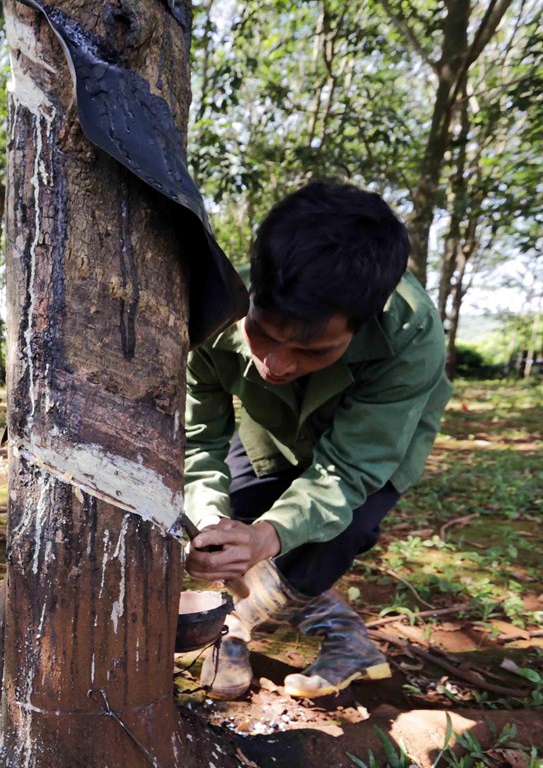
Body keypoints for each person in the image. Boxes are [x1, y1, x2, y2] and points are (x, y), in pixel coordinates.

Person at [185, 180, 451, 699]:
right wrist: (211, 520)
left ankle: (230, 627)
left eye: (314, 351)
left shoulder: (410, 335)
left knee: (330, 537)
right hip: (272, 431)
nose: (276, 365)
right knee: (235, 524)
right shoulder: (213, 314)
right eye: (263, 334)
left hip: (375, 441)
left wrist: (269, 537)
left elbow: (349, 471)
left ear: (362, 325)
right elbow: (200, 442)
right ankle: (345, 637)